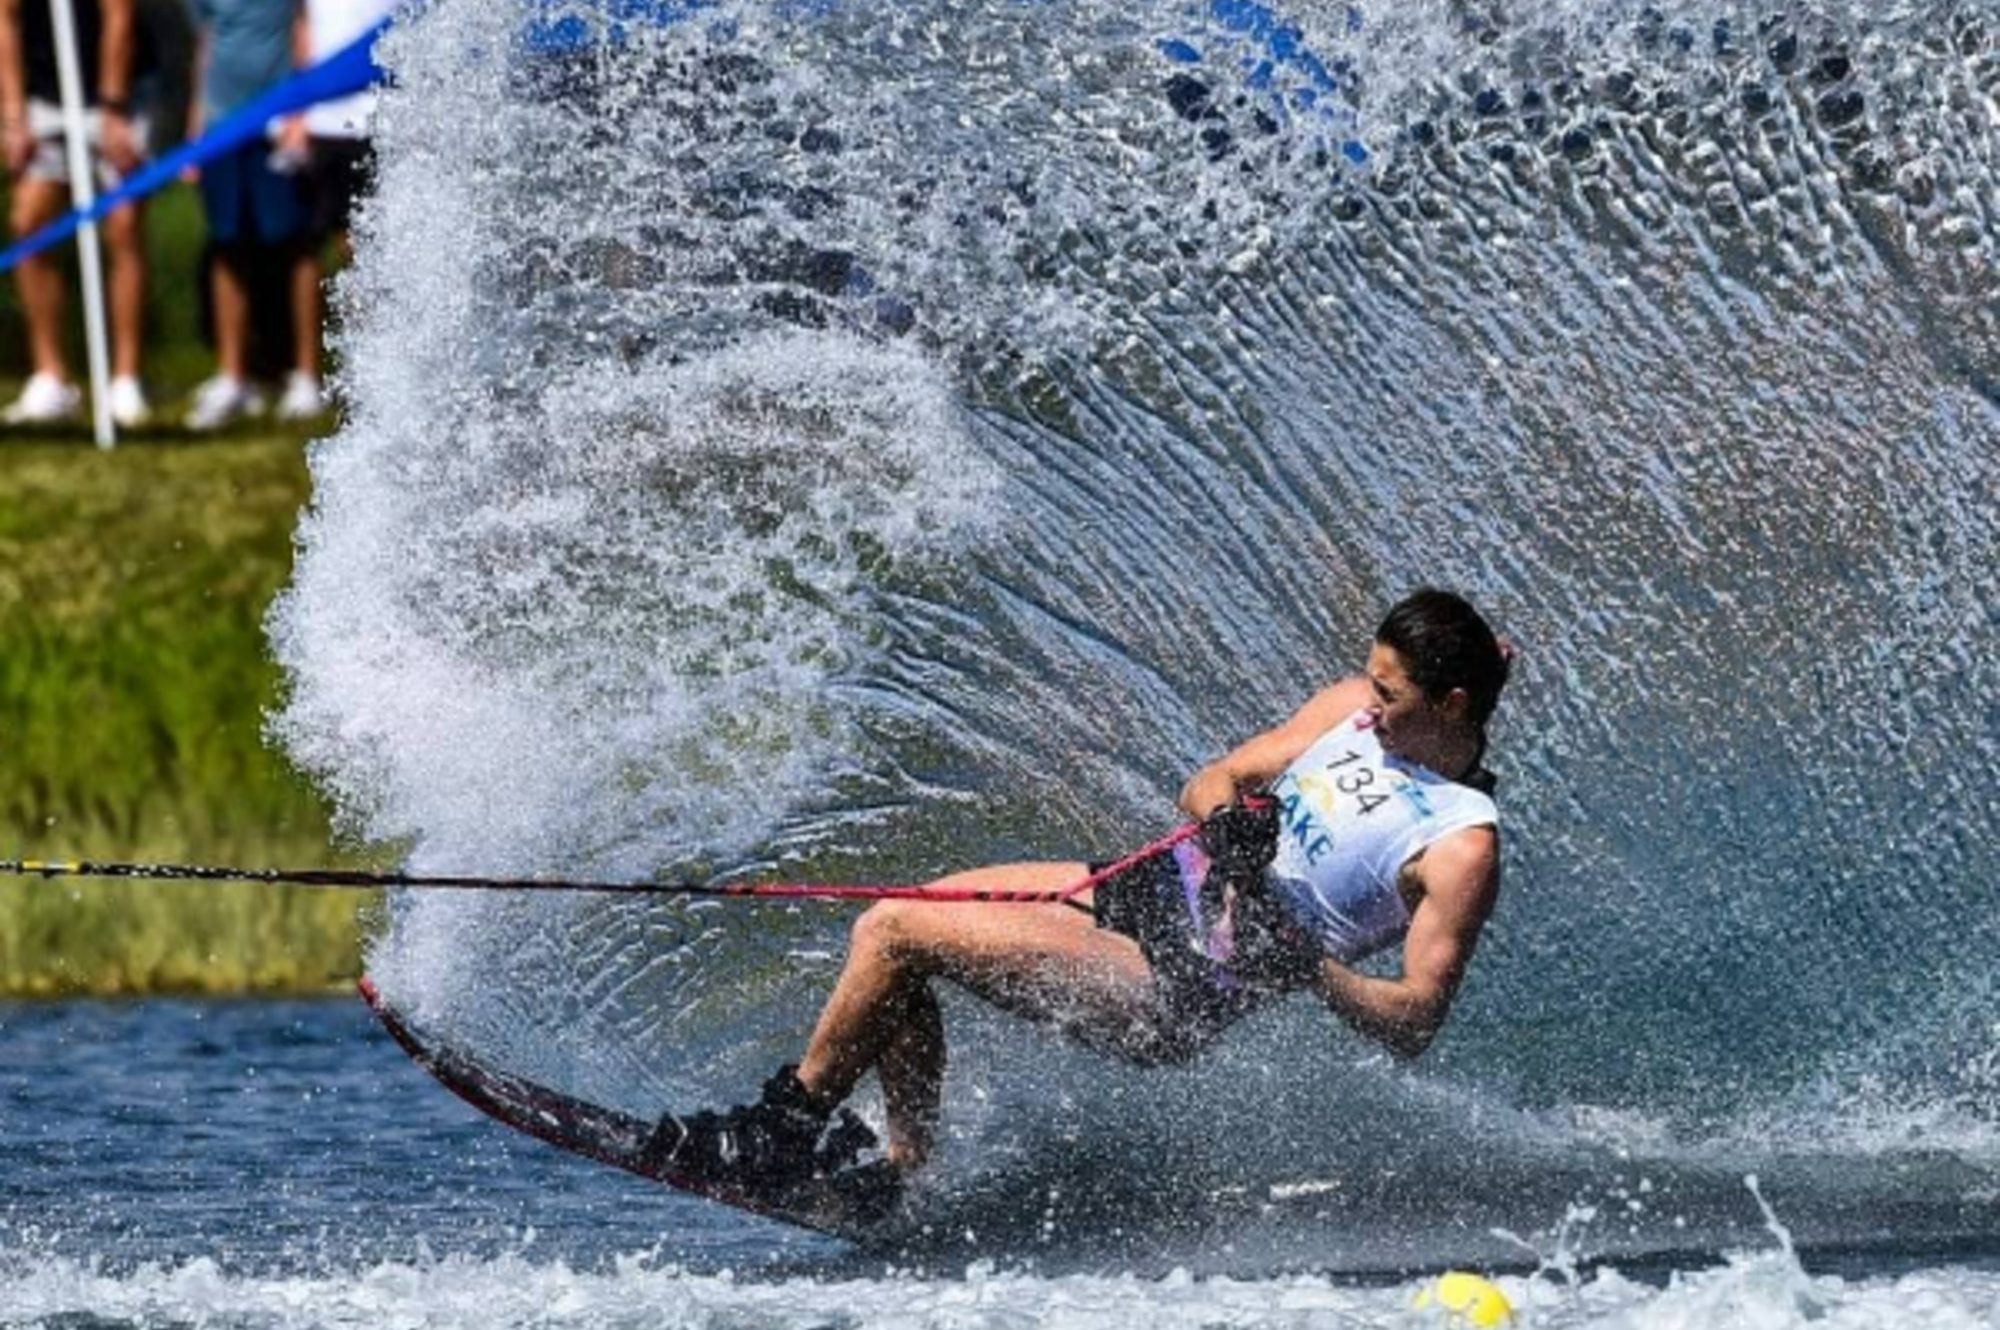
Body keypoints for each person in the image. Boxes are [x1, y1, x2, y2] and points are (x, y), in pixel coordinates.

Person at [646, 588, 1513, 1200]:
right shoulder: (1345, 712)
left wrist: (1305, 963)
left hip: (1179, 987)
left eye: (1390, 694)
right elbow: (1211, 778)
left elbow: (1414, 1021)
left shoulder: (1458, 844)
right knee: (895, 927)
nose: (1368, 707)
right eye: (1369, 682)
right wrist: (1224, 822)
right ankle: (903, 1178)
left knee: (900, 931)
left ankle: (783, 1134)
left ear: (1453, 702)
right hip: (1140, 891)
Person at [0, 0, 155, 427]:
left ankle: (125, 379)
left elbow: (119, 17)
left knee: (123, 225)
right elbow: (6, 20)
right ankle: (50, 377)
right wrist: (13, 117)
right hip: (45, 97)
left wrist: (112, 109)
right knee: (29, 223)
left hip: (118, 94)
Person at [183, 0, 322, 430]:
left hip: (278, 121)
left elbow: (305, 32)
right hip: (222, 125)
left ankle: (305, 375)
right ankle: (233, 376)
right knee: (227, 245)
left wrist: (302, 113)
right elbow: (206, 44)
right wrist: (196, 127)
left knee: (297, 245)